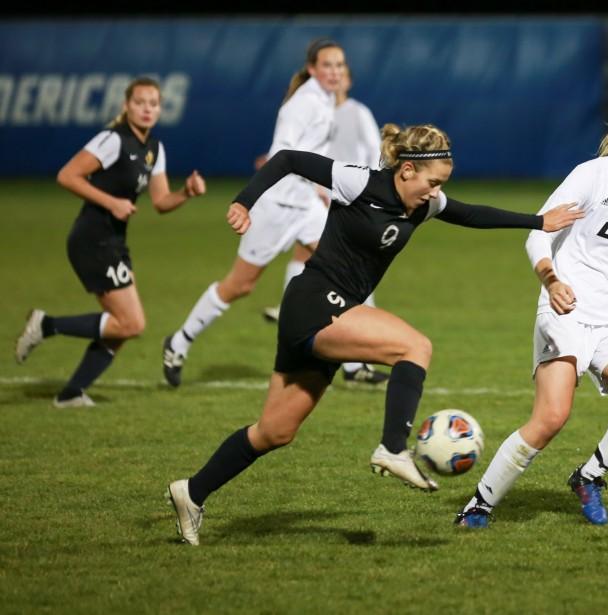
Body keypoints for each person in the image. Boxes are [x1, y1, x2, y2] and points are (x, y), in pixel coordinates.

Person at [165, 123, 584, 546]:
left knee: (274, 431)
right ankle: (391, 447)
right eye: (432, 182)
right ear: (405, 171)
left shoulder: (424, 204)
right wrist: (244, 202)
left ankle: (192, 492)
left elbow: (471, 214)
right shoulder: (359, 181)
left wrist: (539, 221)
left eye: (441, 185)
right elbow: (289, 159)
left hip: (335, 312)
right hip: (314, 302)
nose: (435, 192)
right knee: (414, 346)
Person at [455, 94, 608, 528]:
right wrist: (552, 280)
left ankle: (589, 477)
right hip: (566, 308)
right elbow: (537, 234)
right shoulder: (591, 176)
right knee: (551, 417)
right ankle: (479, 505)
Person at [161, 39, 345, 388]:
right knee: (240, 285)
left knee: (338, 261)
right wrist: (254, 196)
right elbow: (284, 155)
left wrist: (320, 189)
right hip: (277, 207)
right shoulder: (303, 104)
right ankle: (179, 341)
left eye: (339, 65)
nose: (335, 72)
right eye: (328, 65)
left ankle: (338, 358)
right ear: (312, 68)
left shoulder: (325, 100)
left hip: (305, 203)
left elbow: (310, 153)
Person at [13, 77, 206, 407]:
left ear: (160, 109)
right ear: (126, 106)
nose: (147, 109)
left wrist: (186, 193)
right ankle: (46, 325)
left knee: (122, 328)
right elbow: (67, 175)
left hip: (113, 240)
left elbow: (160, 202)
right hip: (92, 238)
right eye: (140, 102)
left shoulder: (154, 150)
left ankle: (71, 393)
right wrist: (111, 202)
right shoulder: (113, 140)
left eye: (153, 104)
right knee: (131, 323)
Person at [261, 63, 389, 387]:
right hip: (319, 193)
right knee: (312, 257)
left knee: (345, 264)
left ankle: (348, 349)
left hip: (351, 195)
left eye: (343, 74)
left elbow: (375, 152)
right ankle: (301, 314)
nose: (336, 79)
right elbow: (304, 152)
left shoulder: (357, 112)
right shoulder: (315, 111)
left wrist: (371, 190)